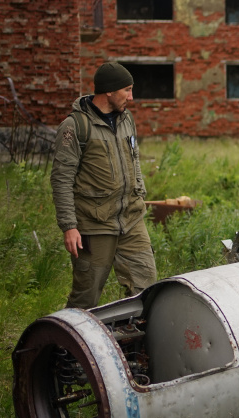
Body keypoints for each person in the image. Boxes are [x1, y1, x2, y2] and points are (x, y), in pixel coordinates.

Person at [50, 61, 157, 309]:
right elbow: (61, 179)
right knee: (86, 297)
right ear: (109, 91)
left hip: (130, 219)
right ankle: (68, 346)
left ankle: (134, 342)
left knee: (146, 288)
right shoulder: (75, 127)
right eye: (127, 90)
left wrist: (139, 190)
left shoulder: (126, 118)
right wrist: (69, 226)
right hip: (94, 225)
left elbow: (134, 156)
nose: (131, 97)